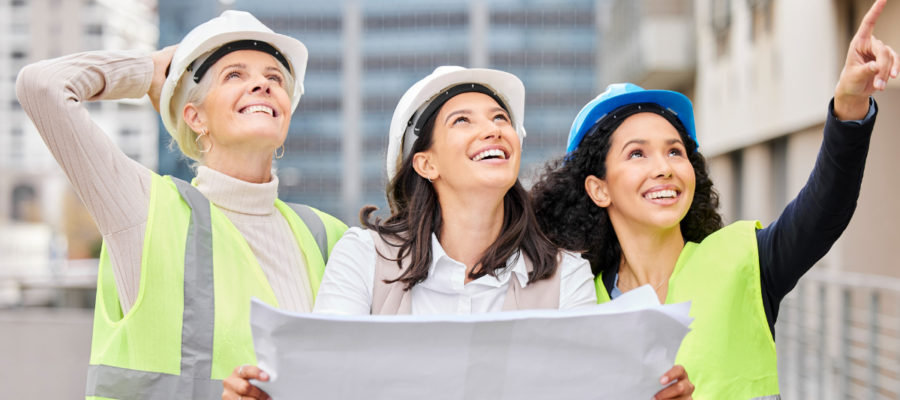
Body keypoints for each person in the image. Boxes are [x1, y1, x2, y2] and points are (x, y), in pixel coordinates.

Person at [222, 66, 695, 400]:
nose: (492, 131)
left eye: (500, 120)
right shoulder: (364, 257)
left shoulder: (563, 274)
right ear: (425, 164)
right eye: (463, 121)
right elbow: (323, 379)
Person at [529, 1, 898, 399]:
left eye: (675, 151)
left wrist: (849, 107)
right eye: (637, 153)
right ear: (598, 189)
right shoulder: (578, 303)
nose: (665, 168)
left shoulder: (744, 259)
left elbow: (826, 208)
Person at [16, 11, 347, 399]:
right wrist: (148, 70)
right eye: (235, 75)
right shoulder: (144, 210)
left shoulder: (329, 238)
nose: (262, 84)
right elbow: (41, 86)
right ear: (195, 116)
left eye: (274, 78)